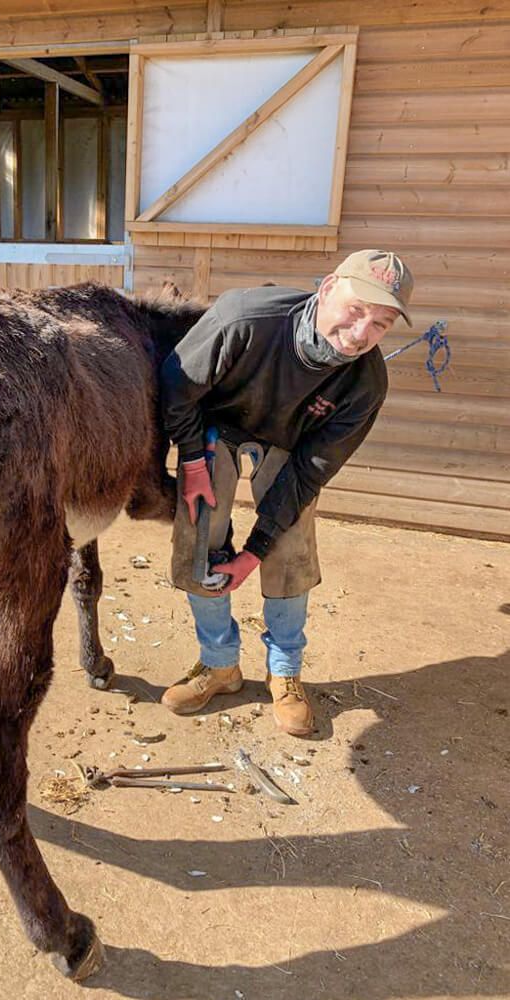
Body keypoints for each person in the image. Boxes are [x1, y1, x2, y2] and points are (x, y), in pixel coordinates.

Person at [159, 249, 414, 735]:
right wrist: (192, 460)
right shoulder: (245, 318)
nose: (361, 334)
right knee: (198, 536)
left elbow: (309, 472)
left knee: (290, 547)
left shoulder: (366, 383)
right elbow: (176, 385)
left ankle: (284, 671)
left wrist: (254, 553)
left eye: (380, 324)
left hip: (290, 449)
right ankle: (219, 665)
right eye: (356, 310)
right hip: (214, 428)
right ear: (325, 289)